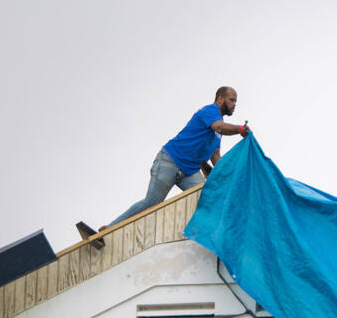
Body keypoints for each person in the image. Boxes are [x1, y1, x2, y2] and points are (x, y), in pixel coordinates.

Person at [104, 87, 248, 230]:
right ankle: (110, 228)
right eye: (232, 100)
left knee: (206, 198)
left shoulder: (218, 130)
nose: (234, 104)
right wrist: (240, 129)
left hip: (189, 172)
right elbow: (220, 127)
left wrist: (227, 177)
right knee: (152, 202)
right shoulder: (210, 111)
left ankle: (206, 236)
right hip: (170, 161)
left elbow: (215, 156)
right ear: (220, 98)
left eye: (236, 101)